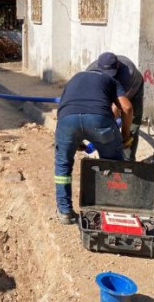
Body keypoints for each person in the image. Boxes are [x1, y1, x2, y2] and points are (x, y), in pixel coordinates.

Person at [54, 58, 134, 224]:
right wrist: (125, 136)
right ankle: (113, 208)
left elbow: (66, 107)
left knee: (63, 165)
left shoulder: (75, 78)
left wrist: (76, 139)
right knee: (113, 163)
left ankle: (65, 211)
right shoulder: (111, 80)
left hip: (67, 121)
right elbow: (126, 107)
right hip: (99, 120)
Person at [87, 52, 144, 160]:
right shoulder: (91, 71)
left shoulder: (128, 72)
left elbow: (121, 106)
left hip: (133, 91)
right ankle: (108, 158)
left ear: (118, 65)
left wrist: (123, 134)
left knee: (132, 124)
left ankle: (128, 161)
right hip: (112, 92)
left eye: (111, 73)